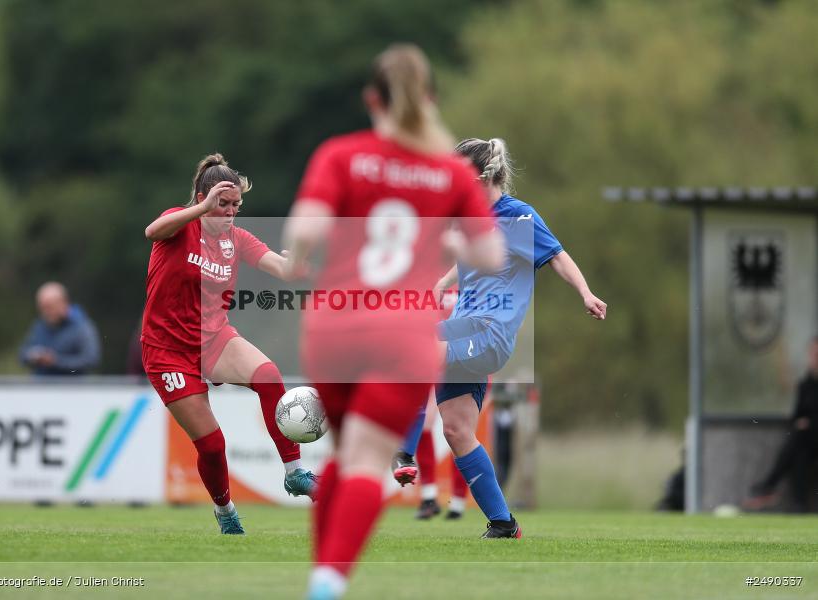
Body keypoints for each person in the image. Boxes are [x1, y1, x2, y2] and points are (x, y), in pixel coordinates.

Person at [285, 43, 505, 600]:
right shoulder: (448, 174)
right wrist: (447, 237)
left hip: (333, 327)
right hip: (403, 334)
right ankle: (327, 582)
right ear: (428, 100)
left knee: (344, 455)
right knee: (365, 462)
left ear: (371, 100)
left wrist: (301, 259)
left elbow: (304, 233)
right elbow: (491, 257)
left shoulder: (339, 154)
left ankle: (322, 574)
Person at [392, 136, 607, 538]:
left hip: (489, 334)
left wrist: (585, 292)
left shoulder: (518, 217)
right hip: (466, 329)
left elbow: (557, 255)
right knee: (456, 430)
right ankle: (504, 523)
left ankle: (403, 452)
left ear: (483, 176)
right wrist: (444, 279)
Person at [141, 154, 318, 535]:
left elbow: (280, 267)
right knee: (212, 445)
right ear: (203, 197)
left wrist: (297, 262)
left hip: (214, 338)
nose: (230, 212)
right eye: (223, 204)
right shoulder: (179, 224)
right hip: (168, 350)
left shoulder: (236, 239)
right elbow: (152, 232)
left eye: (236, 205)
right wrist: (201, 210)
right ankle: (225, 511)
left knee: (269, 375)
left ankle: (294, 472)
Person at [744, 336, 818, 513]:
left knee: (799, 439)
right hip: (809, 441)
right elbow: (795, 417)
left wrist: (810, 423)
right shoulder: (805, 385)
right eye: (814, 353)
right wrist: (803, 423)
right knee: (799, 451)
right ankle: (799, 505)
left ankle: (770, 485)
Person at [19, 282, 101, 375]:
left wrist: (56, 361)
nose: (45, 313)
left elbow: (91, 360)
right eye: (42, 308)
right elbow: (22, 355)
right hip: (41, 388)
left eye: (49, 307)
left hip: (72, 388)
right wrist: (33, 357)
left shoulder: (82, 327)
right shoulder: (39, 325)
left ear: (63, 303)